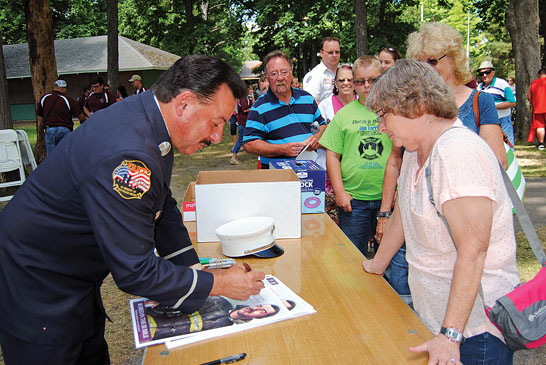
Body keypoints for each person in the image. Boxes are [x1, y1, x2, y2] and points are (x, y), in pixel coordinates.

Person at [0, 55, 266, 364]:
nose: (219, 136)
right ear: (184, 104)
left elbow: (161, 204)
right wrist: (219, 283)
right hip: (37, 288)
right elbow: (135, 271)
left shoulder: (150, 124)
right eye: (216, 122)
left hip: (70, 277)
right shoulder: (128, 152)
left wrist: (193, 272)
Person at [363, 59, 520, 364]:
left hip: (475, 333)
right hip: (439, 323)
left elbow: (473, 250)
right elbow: (405, 215)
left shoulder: (457, 151)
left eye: (383, 115)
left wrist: (450, 335)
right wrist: (377, 264)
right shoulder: (416, 150)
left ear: (416, 104)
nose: (380, 127)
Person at [319, 56, 391, 258]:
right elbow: (332, 155)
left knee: (387, 259)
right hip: (354, 200)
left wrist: (397, 191)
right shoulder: (344, 114)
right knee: (352, 257)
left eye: (373, 80)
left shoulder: (394, 111)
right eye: (360, 81)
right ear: (353, 82)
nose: (366, 86)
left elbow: (402, 155)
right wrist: (340, 192)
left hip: (387, 200)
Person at [244, 50, 326, 169]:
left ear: (291, 73)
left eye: (284, 72)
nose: (280, 78)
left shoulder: (307, 99)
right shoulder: (259, 108)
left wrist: (315, 139)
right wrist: (282, 149)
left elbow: (323, 126)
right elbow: (249, 144)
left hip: (309, 172)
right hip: (277, 177)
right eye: (274, 74)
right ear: (267, 77)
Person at [317, 64, 357, 225]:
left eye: (350, 79)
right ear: (335, 83)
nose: (346, 83)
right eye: (341, 80)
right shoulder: (324, 106)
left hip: (355, 172)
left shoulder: (365, 105)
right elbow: (317, 138)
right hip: (330, 171)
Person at [146, 296, 280, 340]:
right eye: (260, 305)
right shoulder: (219, 301)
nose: (256, 308)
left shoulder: (231, 332)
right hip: (154, 317)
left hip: (161, 337)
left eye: (262, 312)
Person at [36, 79, 87, 155]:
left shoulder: (45, 98)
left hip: (49, 129)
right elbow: (79, 115)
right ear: (63, 88)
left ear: (55, 87)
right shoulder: (68, 99)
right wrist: (86, 121)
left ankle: (52, 166)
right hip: (64, 129)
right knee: (64, 154)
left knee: (51, 155)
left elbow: (39, 115)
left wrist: (42, 126)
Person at [477, 60, 516, 147]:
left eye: (487, 72)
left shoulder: (502, 84)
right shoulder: (479, 87)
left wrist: (493, 107)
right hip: (487, 121)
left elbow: (512, 102)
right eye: (481, 73)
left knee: (507, 145)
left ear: (493, 72)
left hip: (503, 119)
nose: (484, 75)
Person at [303, 37, 341, 103]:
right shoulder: (315, 75)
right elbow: (310, 103)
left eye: (337, 52)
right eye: (330, 52)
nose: (334, 55)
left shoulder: (343, 73)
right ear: (321, 53)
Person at [231, 84, 254, 165]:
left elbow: (253, 103)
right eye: (250, 89)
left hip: (246, 122)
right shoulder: (243, 98)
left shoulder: (248, 97)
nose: (251, 90)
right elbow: (244, 110)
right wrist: (253, 108)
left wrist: (252, 97)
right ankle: (233, 157)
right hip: (243, 122)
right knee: (240, 140)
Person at [527, 68, 546, 150]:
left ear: (539, 75)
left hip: (538, 108)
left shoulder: (533, 83)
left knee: (540, 126)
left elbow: (528, 97)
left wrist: (533, 103)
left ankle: (541, 144)